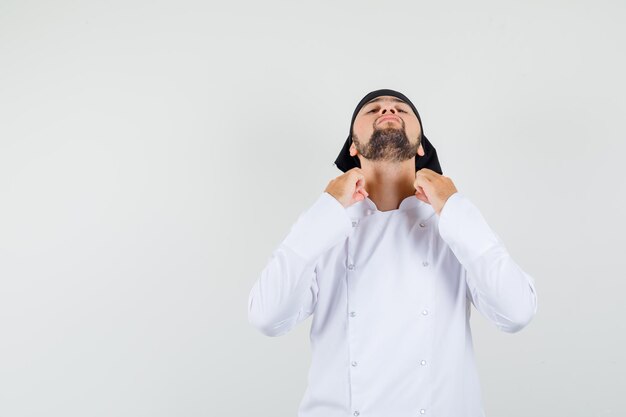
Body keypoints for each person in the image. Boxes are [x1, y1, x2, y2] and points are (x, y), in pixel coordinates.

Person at [247, 88, 538, 417]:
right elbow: (267, 317)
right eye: (373, 110)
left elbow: (516, 312)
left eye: (401, 108)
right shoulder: (326, 227)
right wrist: (325, 208)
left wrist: (455, 207)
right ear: (353, 146)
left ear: (421, 145)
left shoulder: (454, 226)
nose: (388, 110)